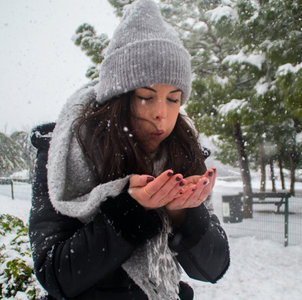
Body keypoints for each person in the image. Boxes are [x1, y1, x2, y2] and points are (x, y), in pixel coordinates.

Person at [29, 0, 230, 299]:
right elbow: (55, 275)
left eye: (174, 99)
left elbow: (213, 269)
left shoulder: (184, 154)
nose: (162, 113)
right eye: (146, 97)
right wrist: (130, 210)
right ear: (119, 98)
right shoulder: (67, 151)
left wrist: (182, 214)